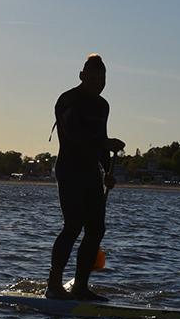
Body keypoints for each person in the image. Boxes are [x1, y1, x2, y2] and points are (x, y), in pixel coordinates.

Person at [47, 53, 125, 300]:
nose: (97, 83)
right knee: (72, 226)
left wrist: (106, 170)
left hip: (91, 171)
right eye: (92, 78)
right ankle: (54, 286)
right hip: (70, 169)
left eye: (102, 79)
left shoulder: (103, 106)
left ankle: (80, 286)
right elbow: (73, 135)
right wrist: (104, 142)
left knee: (96, 229)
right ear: (82, 76)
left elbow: (100, 142)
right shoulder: (68, 100)